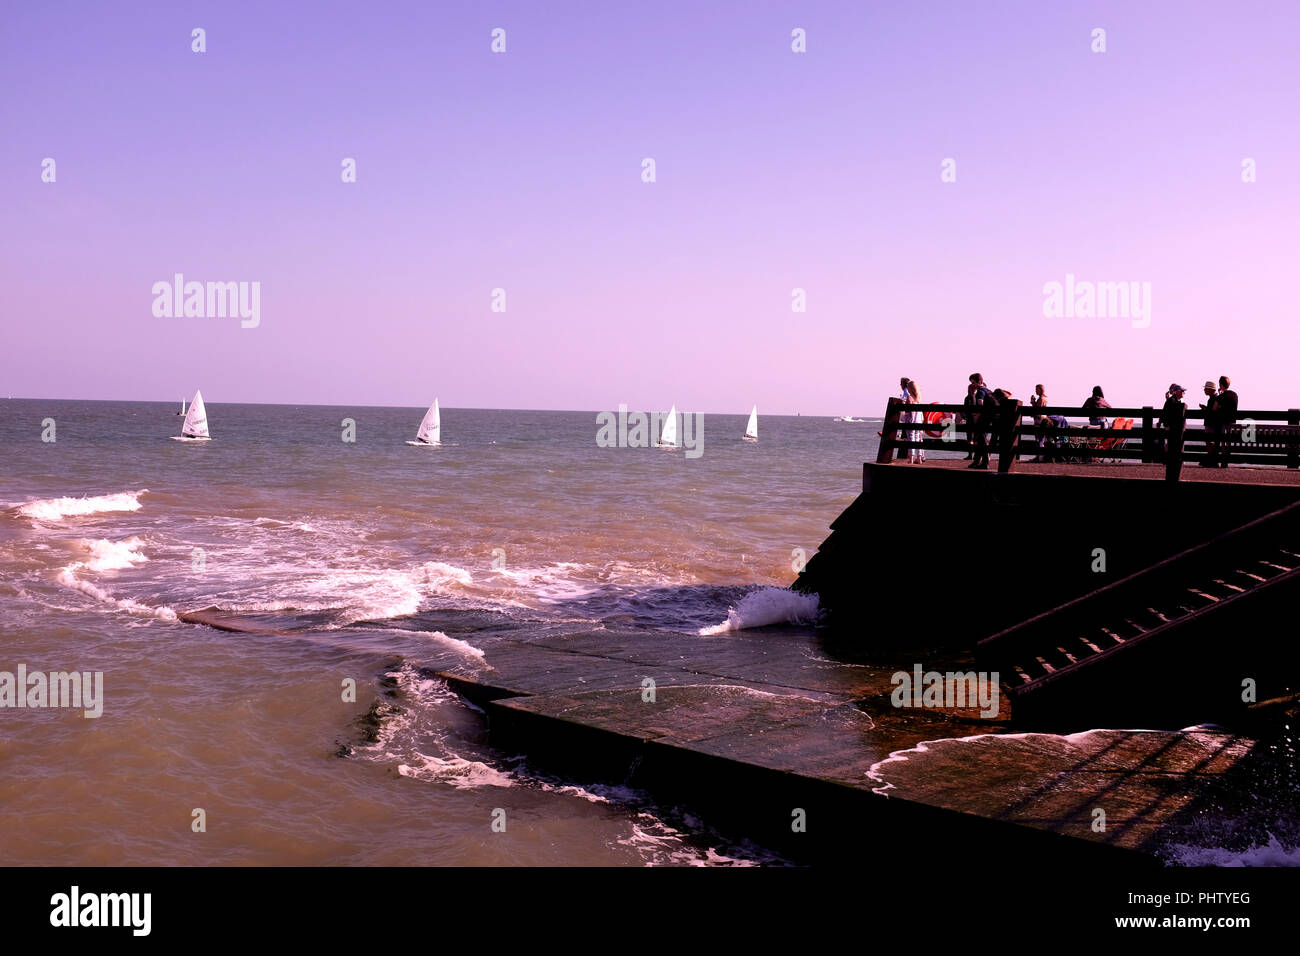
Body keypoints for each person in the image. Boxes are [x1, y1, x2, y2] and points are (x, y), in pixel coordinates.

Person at [968, 373, 997, 469]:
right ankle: (977, 461)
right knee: (981, 440)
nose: (972, 384)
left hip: (984, 418)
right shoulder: (988, 390)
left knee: (981, 440)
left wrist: (976, 416)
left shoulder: (980, 391)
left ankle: (984, 463)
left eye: (973, 382)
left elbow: (980, 404)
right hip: (992, 418)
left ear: (978, 382)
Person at [1215, 375, 1239, 467]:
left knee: (1217, 439)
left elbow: (1214, 408)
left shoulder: (1221, 396)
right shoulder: (1234, 394)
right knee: (1227, 441)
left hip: (1222, 423)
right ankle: (1225, 462)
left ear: (1220, 385)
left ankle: (1216, 461)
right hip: (1232, 423)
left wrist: (1220, 396)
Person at [1158, 383, 1186, 462]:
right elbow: (1165, 412)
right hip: (1170, 425)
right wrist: (1165, 424)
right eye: (1182, 391)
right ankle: (1168, 459)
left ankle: (1170, 459)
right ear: (1177, 391)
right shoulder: (1171, 400)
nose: (1184, 393)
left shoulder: (1176, 400)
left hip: (1175, 426)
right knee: (1170, 443)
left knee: (1172, 442)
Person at [1198, 381, 1221, 466]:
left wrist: (1204, 408)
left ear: (1210, 390)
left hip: (1211, 424)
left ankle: (1212, 461)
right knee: (1210, 442)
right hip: (1212, 424)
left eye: (1206, 388)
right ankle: (1212, 460)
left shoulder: (1213, 399)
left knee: (1209, 442)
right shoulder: (1214, 398)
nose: (1204, 390)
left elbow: (1212, 412)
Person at [904, 379, 925, 463]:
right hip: (918, 420)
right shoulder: (919, 398)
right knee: (917, 438)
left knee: (911, 438)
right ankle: (919, 457)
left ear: (910, 388)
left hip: (911, 420)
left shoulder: (909, 398)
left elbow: (908, 411)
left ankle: (911, 458)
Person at [961, 380, 977, 459]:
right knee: (974, 438)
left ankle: (971, 455)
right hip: (975, 420)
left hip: (971, 420)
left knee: (970, 438)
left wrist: (964, 417)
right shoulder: (976, 397)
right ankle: (973, 455)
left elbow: (965, 409)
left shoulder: (969, 398)